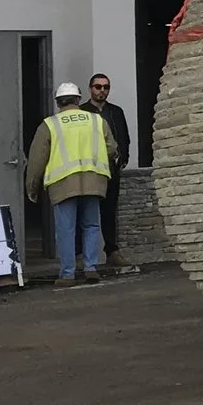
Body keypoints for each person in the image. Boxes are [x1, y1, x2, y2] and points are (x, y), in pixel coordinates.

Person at [25, 81, 112, 285]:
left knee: (66, 229)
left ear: (58, 102)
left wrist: (32, 186)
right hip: (94, 179)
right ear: (78, 100)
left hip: (63, 182)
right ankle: (91, 268)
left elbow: (37, 158)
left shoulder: (50, 124)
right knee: (91, 225)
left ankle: (67, 273)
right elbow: (111, 148)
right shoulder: (96, 121)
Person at [86, 72, 131, 269]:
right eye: (98, 87)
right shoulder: (83, 112)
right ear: (91, 89)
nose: (102, 91)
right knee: (87, 212)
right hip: (91, 170)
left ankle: (112, 250)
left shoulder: (116, 111)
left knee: (109, 211)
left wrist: (123, 158)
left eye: (106, 87)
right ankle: (86, 256)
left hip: (112, 169)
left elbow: (124, 136)